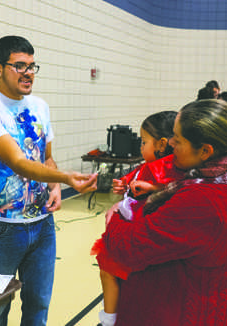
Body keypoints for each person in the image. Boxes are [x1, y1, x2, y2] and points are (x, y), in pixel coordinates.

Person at [102, 99, 227, 325]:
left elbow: (129, 248)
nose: (170, 144)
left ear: (205, 150)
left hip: (173, 313)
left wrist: (114, 218)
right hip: (210, 308)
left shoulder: (203, 200)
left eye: (177, 140)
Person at [0, 35, 97, 326]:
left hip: (42, 225)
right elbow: (19, 163)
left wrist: (55, 187)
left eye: (32, 66)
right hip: (3, 229)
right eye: (20, 66)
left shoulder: (40, 106)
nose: (28, 72)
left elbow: (45, 157)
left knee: (38, 306)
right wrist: (65, 178)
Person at [91, 110, 183, 326]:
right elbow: (134, 179)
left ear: (161, 144)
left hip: (136, 233)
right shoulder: (149, 166)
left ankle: (109, 318)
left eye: (143, 142)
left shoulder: (167, 167)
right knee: (109, 270)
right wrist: (122, 184)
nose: (140, 147)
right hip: (129, 228)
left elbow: (176, 186)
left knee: (108, 269)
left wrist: (151, 187)